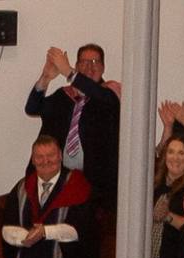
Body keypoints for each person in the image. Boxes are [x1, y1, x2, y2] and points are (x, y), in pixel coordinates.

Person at [25, 43, 121, 207]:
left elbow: (103, 98)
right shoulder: (64, 96)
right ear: (77, 65)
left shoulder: (109, 94)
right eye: (83, 62)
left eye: (95, 62)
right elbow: (32, 108)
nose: (89, 67)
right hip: (59, 180)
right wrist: (45, 78)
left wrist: (69, 72)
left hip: (97, 187)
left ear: (103, 68)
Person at [3, 136, 98, 258]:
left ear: (60, 156)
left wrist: (45, 232)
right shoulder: (21, 189)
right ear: (33, 160)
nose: (45, 161)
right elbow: (7, 229)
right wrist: (26, 237)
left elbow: (81, 230)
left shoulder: (78, 186)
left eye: (51, 156)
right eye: (39, 157)